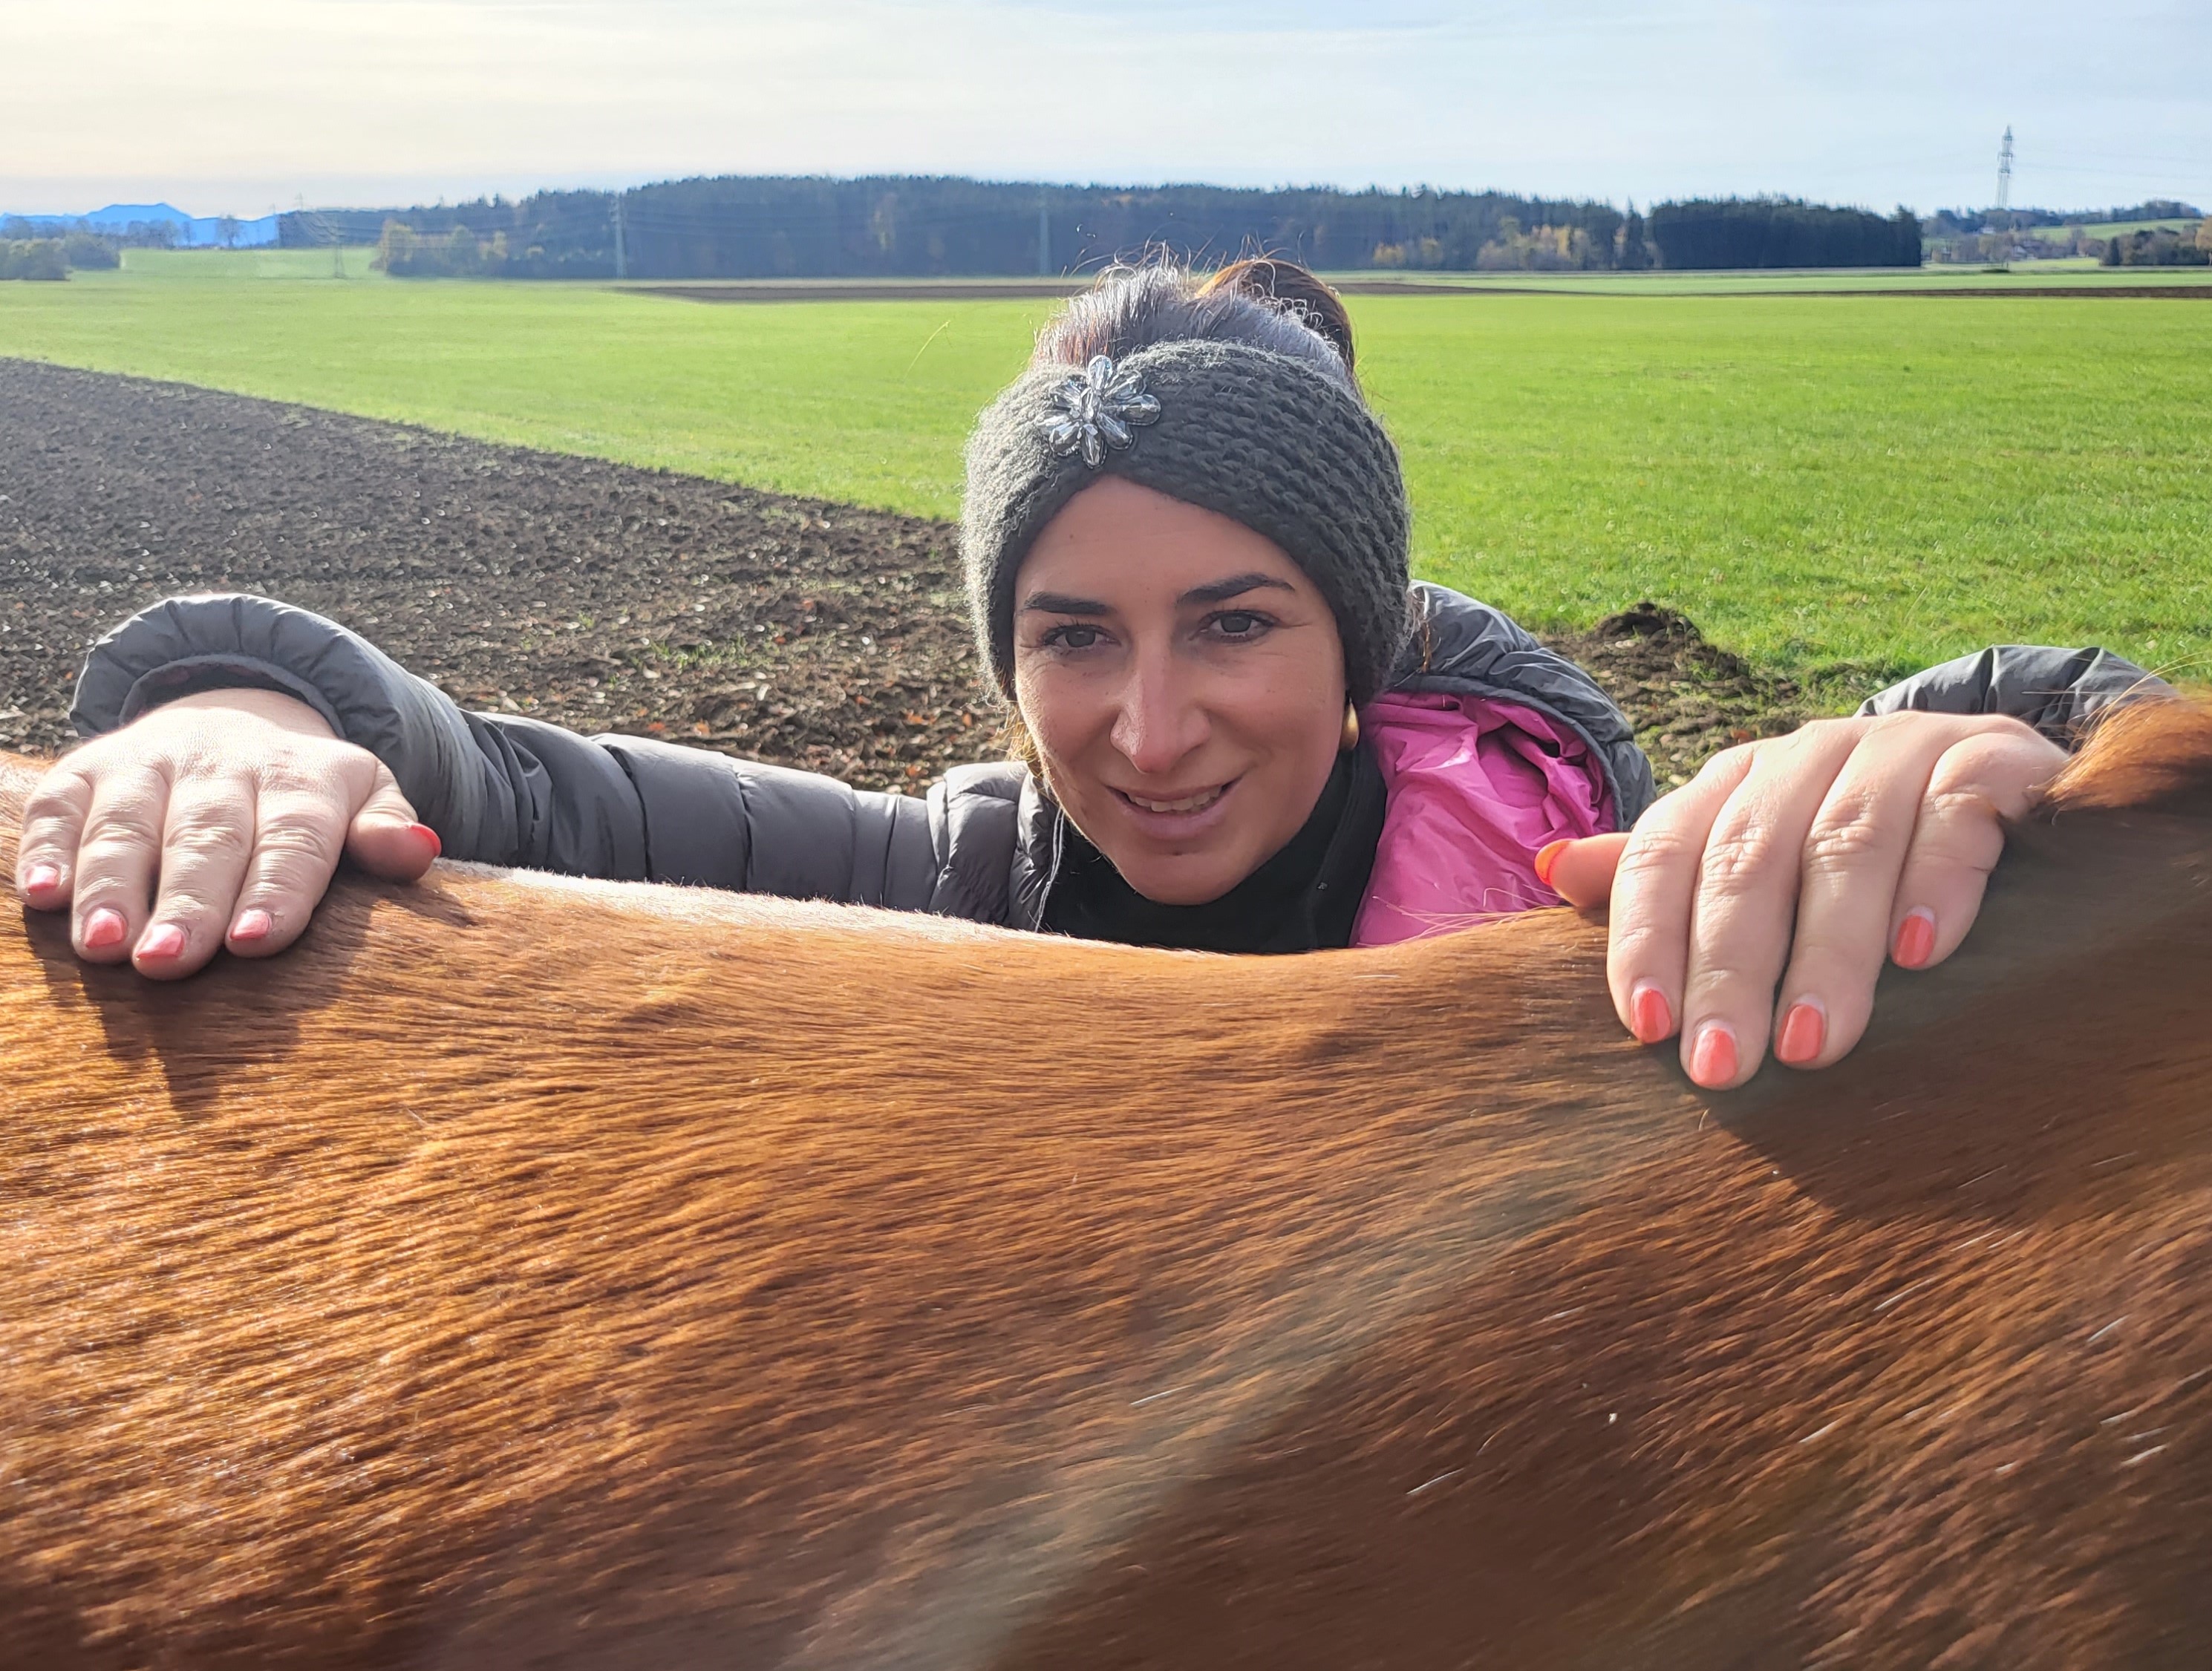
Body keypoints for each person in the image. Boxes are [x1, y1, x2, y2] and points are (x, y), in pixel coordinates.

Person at [11, 260, 2161, 1090]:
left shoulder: (1576, 868)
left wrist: (1955, 745)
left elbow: (2038, 711)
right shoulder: (945, 876)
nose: (1146, 731)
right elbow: (527, 784)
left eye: (1234, 623)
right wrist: (229, 706)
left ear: (1360, 640)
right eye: (1068, 636)